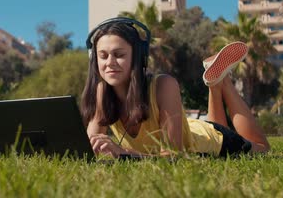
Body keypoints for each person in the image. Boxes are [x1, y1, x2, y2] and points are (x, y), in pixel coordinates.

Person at [81, 17, 270, 158]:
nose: (110, 62)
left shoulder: (164, 85)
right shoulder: (102, 93)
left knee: (262, 148)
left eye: (119, 54)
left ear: (138, 58)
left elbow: (172, 156)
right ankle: (215, 83)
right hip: (192, 129)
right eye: (103, 56)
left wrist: (123, 153)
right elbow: (87, 149)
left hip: (212, 143)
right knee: (217, 125)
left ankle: (224, 82)